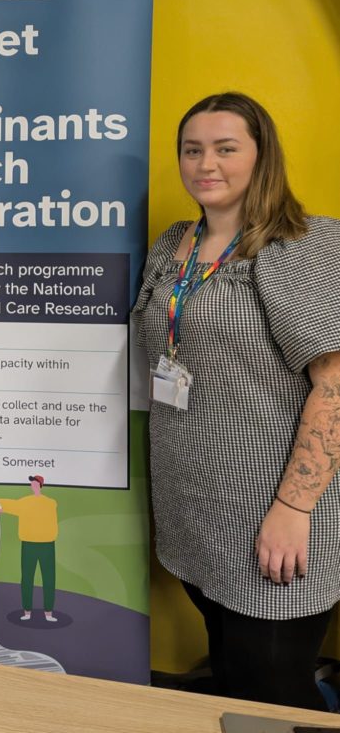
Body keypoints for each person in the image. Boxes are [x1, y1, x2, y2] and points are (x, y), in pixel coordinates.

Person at [133, 91, 340, 710]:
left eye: (226, 148)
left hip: (272, 518)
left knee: (271, 698)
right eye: (192, 150)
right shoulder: (176, 245)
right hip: (199, 515)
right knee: (231, 678)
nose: (206, 164)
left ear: (262, 156)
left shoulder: (297, 246)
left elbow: (335, 384)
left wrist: (292, 509)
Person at [0, 475, 58, 622]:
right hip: (28, 544)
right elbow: (12, 505)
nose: (33, 486)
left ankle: (48, 612)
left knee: (49, 579)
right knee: (27, 579)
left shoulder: (50, 503)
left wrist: (1, 506)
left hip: (47, 545)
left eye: (35, 483)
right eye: (32, 484)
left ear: (40, 485)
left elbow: (14, 506)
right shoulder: (25, 502)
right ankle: (27, 611)